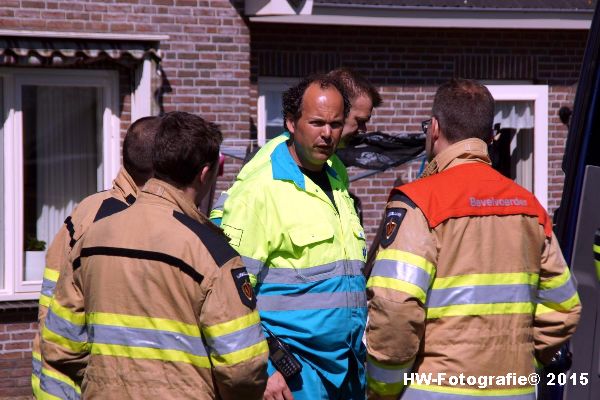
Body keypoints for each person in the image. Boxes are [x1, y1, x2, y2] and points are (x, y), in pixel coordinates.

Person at [366, 79, 581, 399]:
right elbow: (563, 305)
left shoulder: (419, 203)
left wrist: (385, 389)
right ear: (490, 136)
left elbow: (395, 307)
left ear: (434, 128)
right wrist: (525, 362)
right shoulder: (529, 205)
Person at [41, 112, 268, 399]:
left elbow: (61, 344)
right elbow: (242, 371)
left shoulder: (92, 238)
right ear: (205, 173)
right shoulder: (214, 254)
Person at [219, 75, 367, 400]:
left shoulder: (337, 176)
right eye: (316, 122)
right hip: (293, 376)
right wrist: (263, 368)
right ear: (290, 122)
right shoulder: (260, 191)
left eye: (335, 124)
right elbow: (229, 296)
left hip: (348, 369)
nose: (327, 134)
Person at [32, 116, 161, 399]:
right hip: (85, 383)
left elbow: (52, 298)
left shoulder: (85, 210)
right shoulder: (123, 221)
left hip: (56, 376)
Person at [210, 67, 381, 225]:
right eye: (360, 121)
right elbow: (225, 221)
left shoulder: (335, 167)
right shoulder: (270, 159)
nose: (364, 130)